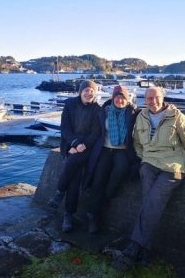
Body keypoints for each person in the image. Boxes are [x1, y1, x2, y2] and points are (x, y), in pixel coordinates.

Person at [122, 85, 185, 264]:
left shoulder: (177, 118)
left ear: (163, 98)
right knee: (151, 203)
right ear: (144, 100)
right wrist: (143, 157)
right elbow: (137, 142)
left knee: (152, 201)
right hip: (149, 164)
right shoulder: (142, 116)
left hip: (172, 166)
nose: (152, 101)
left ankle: (135, 245)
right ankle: (145, 249)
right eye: (148, 98)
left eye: (156, 98)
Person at [82, 84, 140, 234]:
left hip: (123, 151)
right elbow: (94, 131)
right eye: (117, 98)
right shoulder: (104, 111)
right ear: (113, 98)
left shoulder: (133, 113)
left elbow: (151, 115)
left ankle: (106, 199)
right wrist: (78, 144)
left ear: (127, 99)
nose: (120, 101)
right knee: (98, 180)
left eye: (123, 98)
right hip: (104, 149)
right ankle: (93, 217)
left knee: (119, 174)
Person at [48, 79, 104, 233]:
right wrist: (74, 144)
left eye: (92, 91)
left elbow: (95, 133)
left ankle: (60, 194)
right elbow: (65, 128)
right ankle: (68, 214)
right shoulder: (70, 104)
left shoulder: (97, 109)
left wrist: (83, 145)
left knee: (74, 162)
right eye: (86, 90)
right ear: (81, 91)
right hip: (71, 143)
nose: (89, 93)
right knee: (75, 176)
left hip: (88, 147)